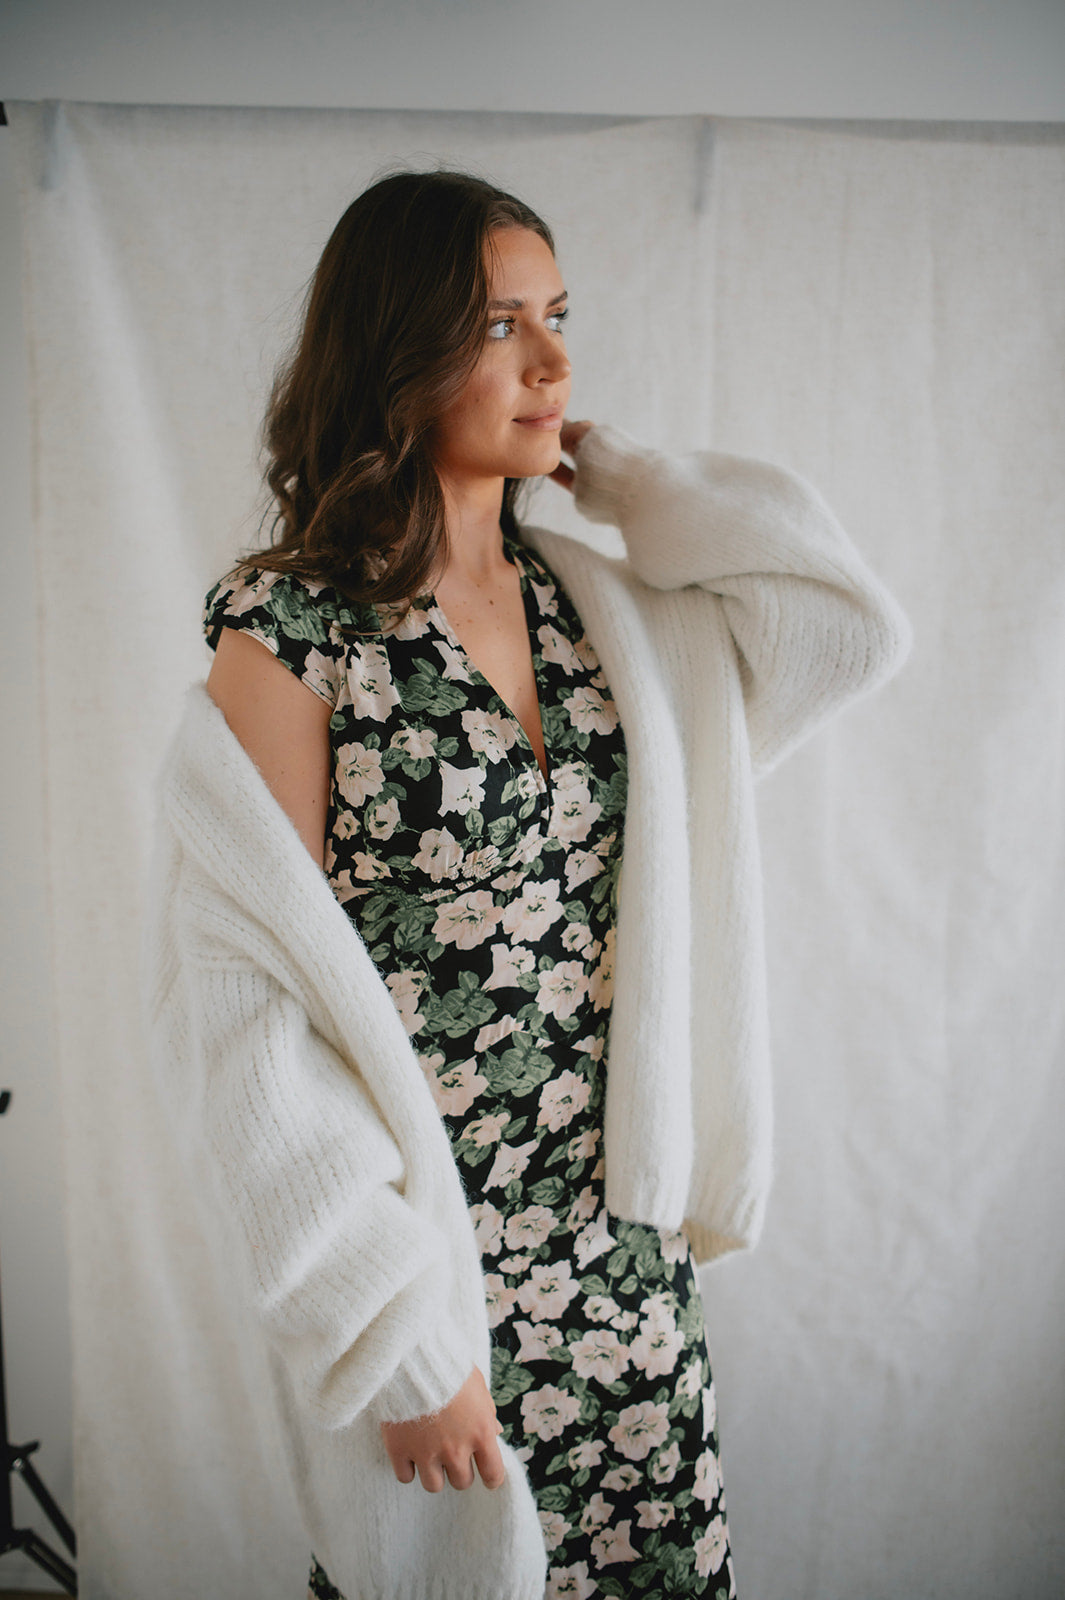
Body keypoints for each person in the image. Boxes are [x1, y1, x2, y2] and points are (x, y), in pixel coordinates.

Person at [147, 169, 910, 1600]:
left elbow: (840, 629)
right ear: (398, 351)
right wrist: (391, 1336)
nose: (553, 360)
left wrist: (612, 474)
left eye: (558, 316)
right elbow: (246, 1012)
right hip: (431, 1273)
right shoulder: (293, 630)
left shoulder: (603, 608)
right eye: (500, 326)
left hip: (623, 1262)